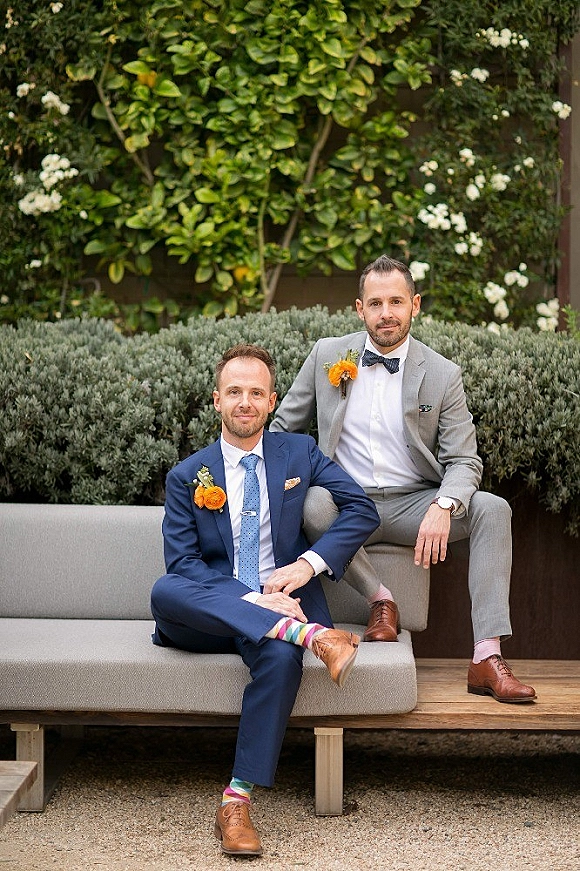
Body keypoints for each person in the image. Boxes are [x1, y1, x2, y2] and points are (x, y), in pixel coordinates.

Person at [271, 254, 536, 705]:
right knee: (312, 503)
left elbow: (464, 460)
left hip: (415, 502)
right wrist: (283, 482)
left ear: (415, 305)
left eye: (396, 301)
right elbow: (282, 431)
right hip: (347, 503)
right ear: (360, 309)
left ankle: (486, 657)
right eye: (376, 303)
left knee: (493, 509)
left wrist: (444, 504)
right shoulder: (327, 355)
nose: (386, 313)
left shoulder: (442, 374)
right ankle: (381, 599)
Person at [150, 344, 380, 857]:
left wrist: (307, 565)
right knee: (164, 590)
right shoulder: (188, 475)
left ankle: (236, 802)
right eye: (234, 392)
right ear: (217, 400)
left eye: (256, 392)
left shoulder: (298, 452)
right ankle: (311, 636)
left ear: (272, 401)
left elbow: (361, 509)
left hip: (284, 606)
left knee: (279, 658)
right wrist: (253, 600)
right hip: (211, 618)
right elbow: (184, 566)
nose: (245, 402)